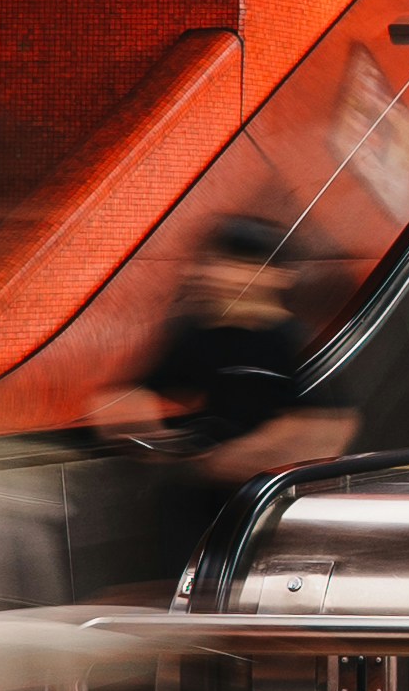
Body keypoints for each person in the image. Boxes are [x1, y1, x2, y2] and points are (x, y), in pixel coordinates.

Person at [88, 215, 355, 580]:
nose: (215, 275)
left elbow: (328, 430)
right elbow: (126, 396)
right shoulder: (198, 335)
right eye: (214, 263)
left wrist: (219, 459)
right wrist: (148, 434)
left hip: (272, 510)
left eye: (236, 265)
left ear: (275, 275)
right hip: (203, 510)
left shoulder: (297, 344)